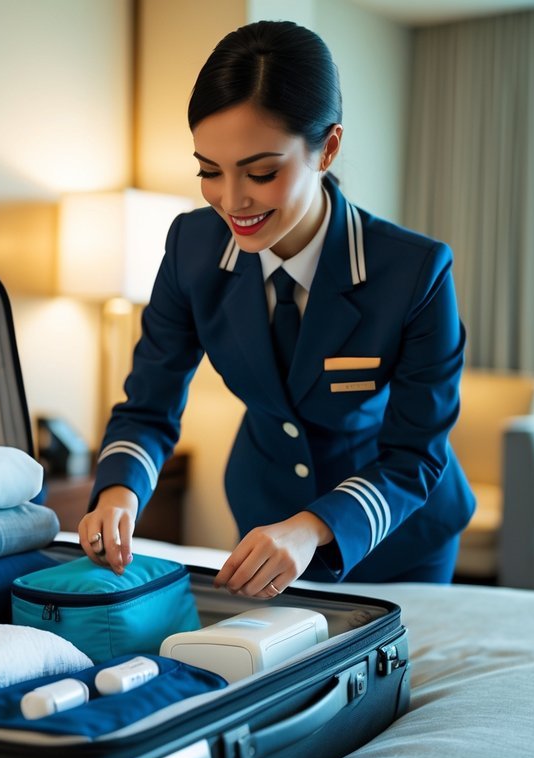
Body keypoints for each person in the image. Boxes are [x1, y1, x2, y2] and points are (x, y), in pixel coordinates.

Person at [77, 20, 475, 597]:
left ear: (327, 148)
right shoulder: (191, 248)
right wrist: (120, 493)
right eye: (209, 171)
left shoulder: (413, 272)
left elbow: (415, 455)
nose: (232, 201)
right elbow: (148, 406)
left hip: (395, 531)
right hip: (264, 516)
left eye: (261, 173)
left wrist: (314, 529)